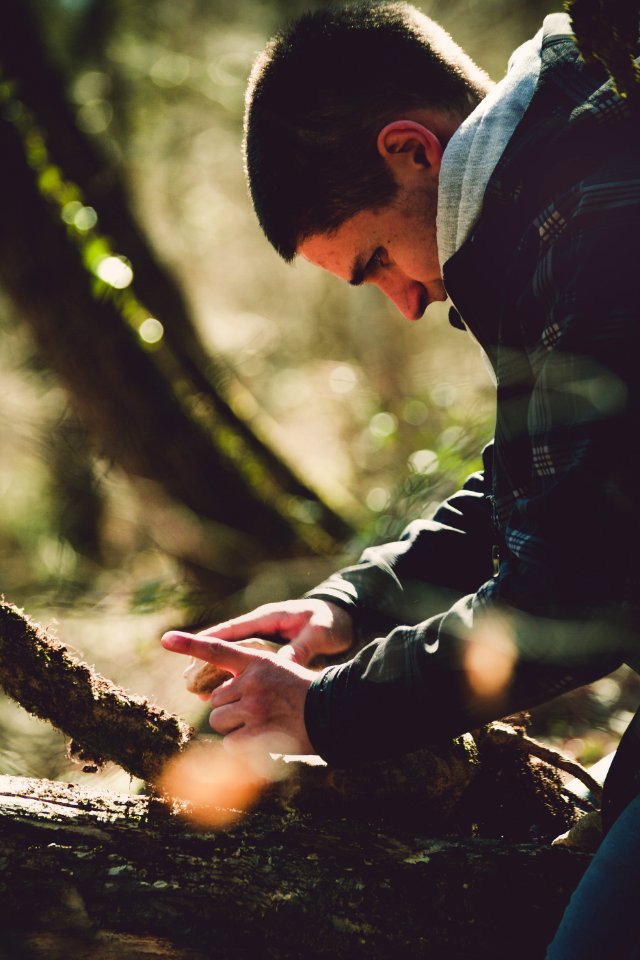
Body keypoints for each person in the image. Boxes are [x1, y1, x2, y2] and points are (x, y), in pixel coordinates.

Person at [161, 3, 640, 954]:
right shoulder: (554, 193)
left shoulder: (595, 217)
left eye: (376, 261)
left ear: (411, 152)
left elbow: (581, 590)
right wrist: (351, 608)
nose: (408, 302)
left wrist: (321, 707)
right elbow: (551, 486)